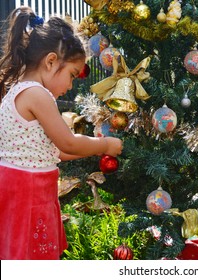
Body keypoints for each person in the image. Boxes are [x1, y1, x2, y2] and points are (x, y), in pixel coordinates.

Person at [0, 7, 123, 260]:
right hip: (29, 192)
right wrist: (105, 144)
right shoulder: (37, 94)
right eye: (72, 75)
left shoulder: (21, 89)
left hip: (23, 189)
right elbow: (68, 142)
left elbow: (56, 151)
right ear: (51, 61)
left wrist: (84, 147)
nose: (70, 86)